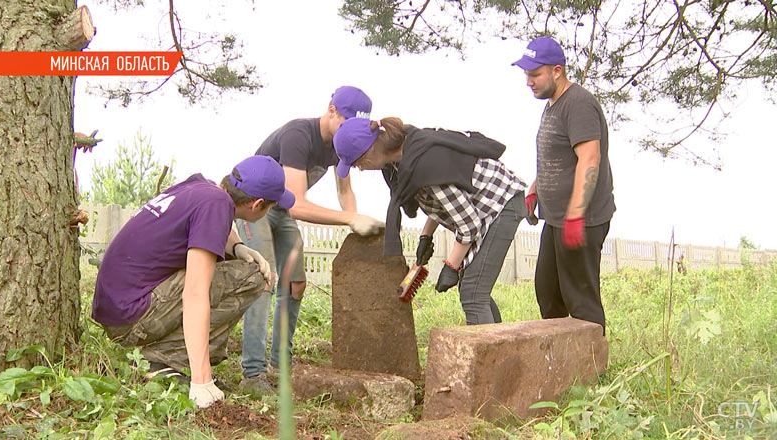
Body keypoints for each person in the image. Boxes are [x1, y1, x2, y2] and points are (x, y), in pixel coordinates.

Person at [92, 155, 295, 408]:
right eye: (271, 207)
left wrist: (238, 246)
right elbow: (195, 294)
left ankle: (165, 357)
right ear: (258, 204)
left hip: (117, 307)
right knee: (251, 277)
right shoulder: (217, 206)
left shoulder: (202, 187)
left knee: (234, 267)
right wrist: (202, 382)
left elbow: (215, 224)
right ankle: (163, 360)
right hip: (132, 318)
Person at [236, 86, 385, 394]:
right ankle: (252, 374)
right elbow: (297, 204)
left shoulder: (340, 145)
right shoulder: (298, 134)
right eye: (346, 122)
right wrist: (349, 219)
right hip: (255, 208)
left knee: (295, 284)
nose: (351, 131)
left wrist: (354, 226)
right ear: (331, 110)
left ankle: (281, 365)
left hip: (283, 212)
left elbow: (345, 191)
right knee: (264, 280)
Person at [333, 117, 528, 325]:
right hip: (480, 208)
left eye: (357, 163)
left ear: (370, 151)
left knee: (473, 293)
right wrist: (426, 236)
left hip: (500, 202)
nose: (360, 169)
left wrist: (451, 266)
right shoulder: (401, 161)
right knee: (472, 289)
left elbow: (469, 225)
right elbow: (438, 200)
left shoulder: (426, 162)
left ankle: (488, 356)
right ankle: (500, 345)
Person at [511, 36, 616, 332]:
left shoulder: (578, 103)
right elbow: (558, 157)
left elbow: (590, 158)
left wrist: (575, 214)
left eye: (535, 74)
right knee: (549, 294)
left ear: (557, 71)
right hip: (557, 219)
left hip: (580, 220)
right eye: (526, 75)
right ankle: (562, 362)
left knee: (581, 302)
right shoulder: (553, 104)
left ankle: (592, 369)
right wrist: (536, 187)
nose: (529, 82)